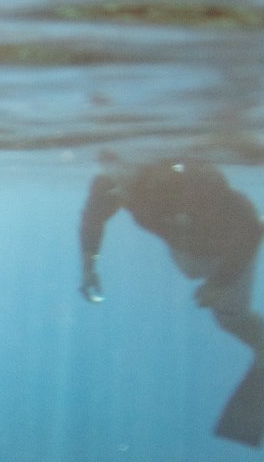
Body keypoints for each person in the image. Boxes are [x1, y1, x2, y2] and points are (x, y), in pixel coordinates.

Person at [79, 155, 264, 445]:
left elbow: (251, 228)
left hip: (230, 250)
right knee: (224, 312)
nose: (116, 174)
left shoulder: (186, 181)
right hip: (192, 253)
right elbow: (93, 218)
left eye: (123, 165)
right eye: (108, 162)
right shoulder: (110, 184)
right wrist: (89, 265)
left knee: (232, 321)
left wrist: (220, 282)